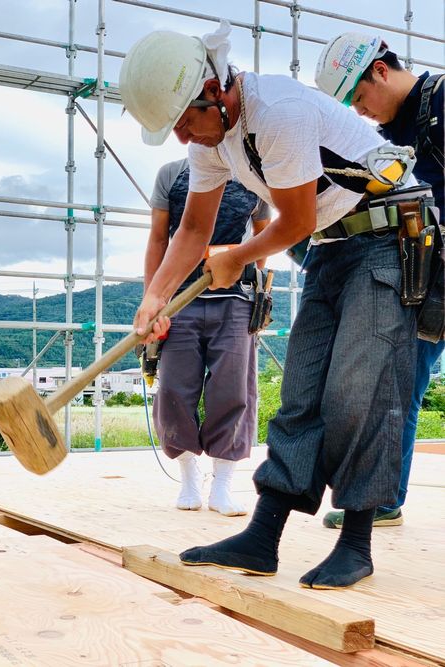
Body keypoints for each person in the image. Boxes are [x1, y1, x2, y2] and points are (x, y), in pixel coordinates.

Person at [119, 21, 425, 589]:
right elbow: (192, 227)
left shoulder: (276, 111)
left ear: (214, 89)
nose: (184, 138)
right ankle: (263, 537)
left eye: (186, 121)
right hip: (336, 244)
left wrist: (237, 257)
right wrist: (155, 297)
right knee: (302, 389)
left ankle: (356, 541)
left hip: (386, 238)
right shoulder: (217, 138)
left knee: (361, 388)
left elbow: (297, 221)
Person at [315, 32, 444, 529]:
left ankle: (383, 495)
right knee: (398, 380)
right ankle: (384, 496)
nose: (360, 111)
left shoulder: (440, 101)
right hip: (428, 274)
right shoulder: (388, 138)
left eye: (358, 96)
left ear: (381, 71)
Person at [147, 157, 271, 515]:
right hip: (179, 299)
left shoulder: (252, 175)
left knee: (232, 390)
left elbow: (263, 236)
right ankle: (188, 476)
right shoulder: (171, 174)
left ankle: (222, 484)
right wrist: (152, 298)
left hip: (235, 300)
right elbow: (158, 238)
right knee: (173, 389)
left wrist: (250, 282)